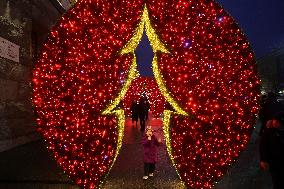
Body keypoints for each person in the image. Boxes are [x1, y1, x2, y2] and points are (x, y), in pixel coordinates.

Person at [259, 111, 284, 189]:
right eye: (274, 120)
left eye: (277, 122)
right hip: (274, 161)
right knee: (277, 180)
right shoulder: (269, 131)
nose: (275, 123)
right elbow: (263, 145)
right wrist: (263, 159)